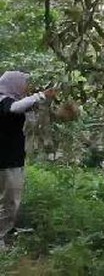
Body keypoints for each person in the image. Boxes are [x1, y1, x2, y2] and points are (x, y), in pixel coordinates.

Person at [0, 71, 57, 248]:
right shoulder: (4, 101)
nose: (26, 87)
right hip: (7, 160)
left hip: (11, 159)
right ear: (14, 84)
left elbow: (31, 116)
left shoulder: (14, 103)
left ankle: (3, 236)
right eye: (24, 83)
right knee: (9, 201)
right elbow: (14, 108)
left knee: (9, 200)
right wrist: (40, 96)